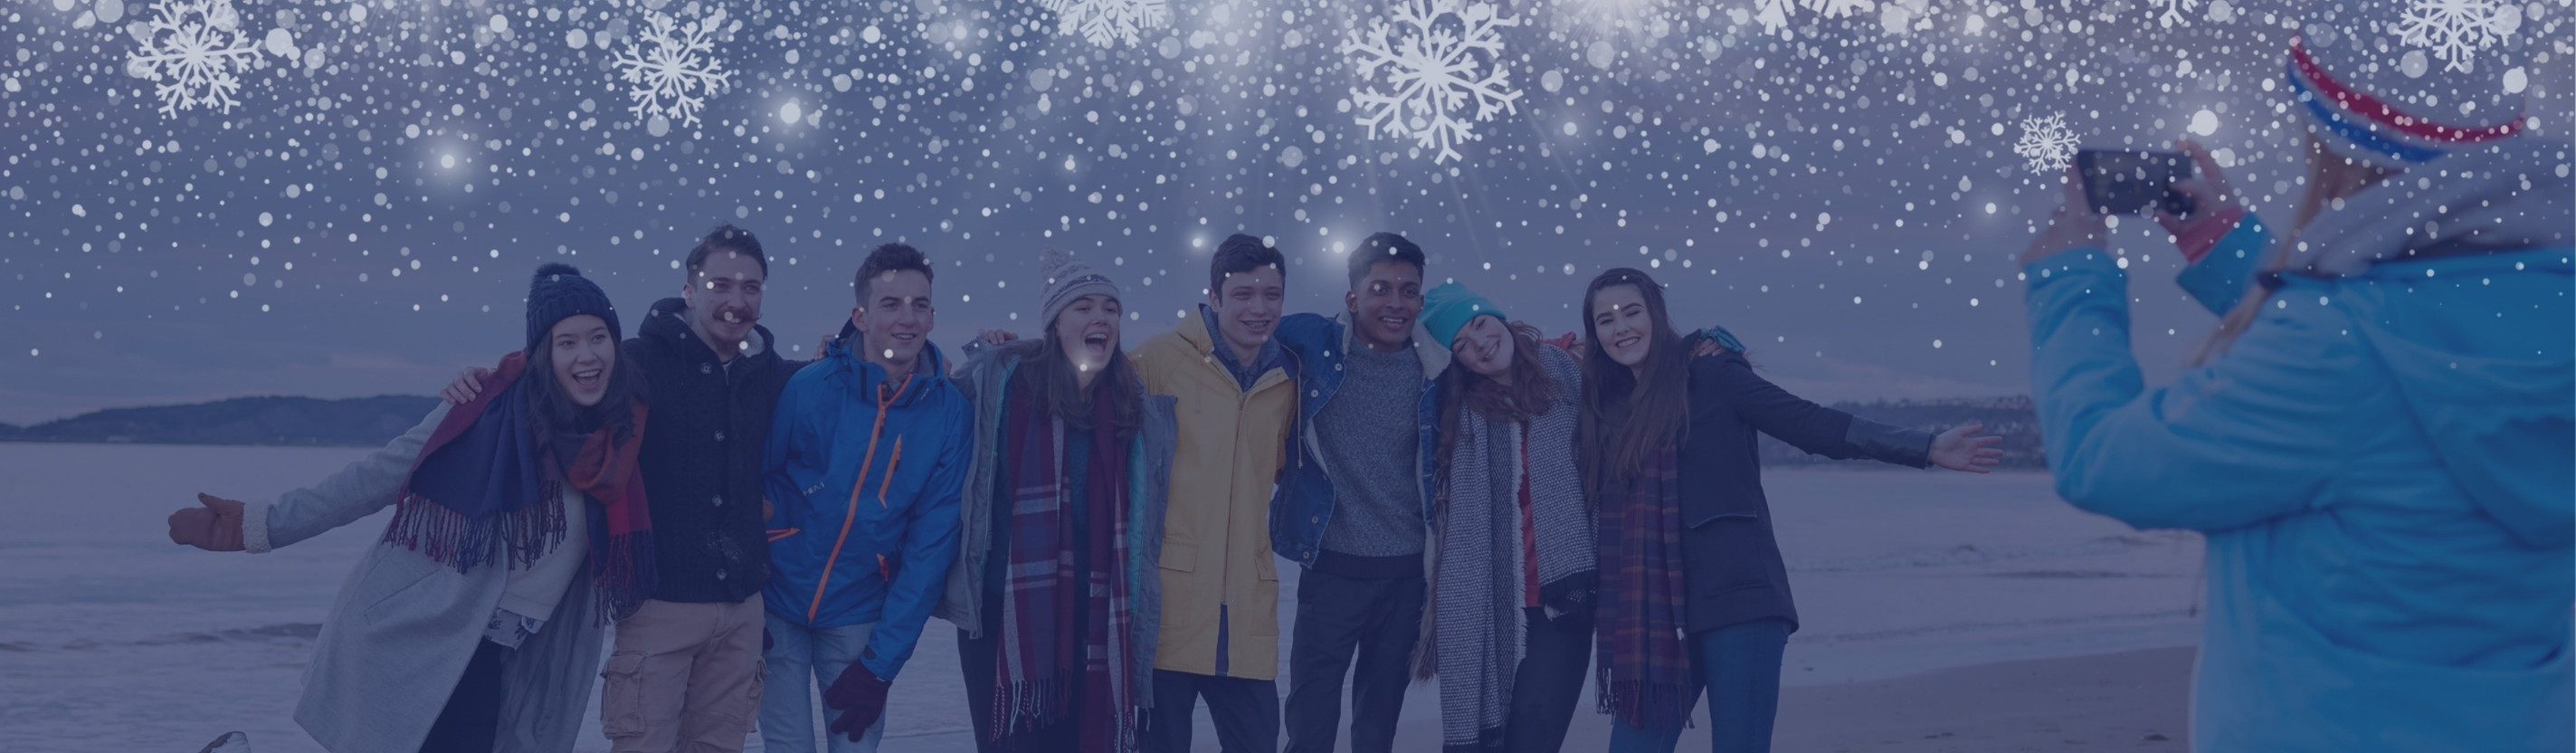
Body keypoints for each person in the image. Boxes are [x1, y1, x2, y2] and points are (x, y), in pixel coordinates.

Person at [2016, 5, 2571, 748]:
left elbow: (2103, 461)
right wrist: (2219, 241)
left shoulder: (2332, 348)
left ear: (2337, 138)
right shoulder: (2545, 309)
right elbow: (2406, 336)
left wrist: (2071, 278)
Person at [167, 263, 656, 753]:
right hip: (423, 634)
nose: (586, 355)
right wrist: (262, 525)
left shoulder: (624, 433)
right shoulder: (484, 408)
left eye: (597, 337)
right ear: (540, 353)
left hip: (518, 653)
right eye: (566, 342)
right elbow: (377, 476)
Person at [1578, 268, 2001, 753]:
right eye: (1605, 320)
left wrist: (1923, 446)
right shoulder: (1607, 409)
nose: (1621, 328)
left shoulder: (1712, 374)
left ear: (1656, 313)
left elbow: (1808, 422)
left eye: (1632, 312)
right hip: (1657, 612)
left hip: (1739, 596)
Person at [443, 226, 793, 753]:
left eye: (751, 288)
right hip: (657, 609)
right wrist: (488, 381)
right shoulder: (636, 363)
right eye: (721, 285)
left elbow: (845, 384)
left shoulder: (770, 374)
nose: (736, 301)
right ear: (691, 290)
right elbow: (552, 382)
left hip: (743, 612)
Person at [934, 248, 1176, 753]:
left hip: (1098, 612)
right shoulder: (1004, 384)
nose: (1100, 318)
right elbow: (922, 399)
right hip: (1005, 613)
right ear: (1054, 322)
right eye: (1083, 307)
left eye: (1110, 308)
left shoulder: (1134, 402)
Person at [758, 243, 972, 753]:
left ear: (933, 315)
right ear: (861, 314)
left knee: (855, 744)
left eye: (919, 304)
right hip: (777, 606)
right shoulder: (809, 387)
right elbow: (760, 481)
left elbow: (929, 545)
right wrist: (748, 597)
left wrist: (881, 667)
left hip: (860, 611)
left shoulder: (949, 414)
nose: (908, 317)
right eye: (891, 303)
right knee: (786, 746)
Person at [1273, 232, 1445, 753]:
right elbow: (1233, 335)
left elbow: (1502, 348)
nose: (1396, 303)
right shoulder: (1310, 343)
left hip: (1406, 573)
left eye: (1408, 291)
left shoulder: (1438, 367)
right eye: (1381, 289)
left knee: (1377, 723)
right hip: (1331, 568)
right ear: (1353, 297)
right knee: (1311, 715)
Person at [1126, 234, 1298, 753]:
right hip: (1167, 610)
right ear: (1215, 297)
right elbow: (1089, 419)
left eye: (1272, 295)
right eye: (1243, 294)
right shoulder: (1158, 360)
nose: (1259, 308)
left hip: (1247, 613)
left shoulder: (1288, 377)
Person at [1412, 281, 1596, 753]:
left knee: (1533, 738)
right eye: (1461, 345)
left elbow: (1644, 371)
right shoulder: (1454, 411)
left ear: (1498, 317)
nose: (1480, 344)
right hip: (1488, 602)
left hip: (1562, 598)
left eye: (1480, 324)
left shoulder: (1569, 372)